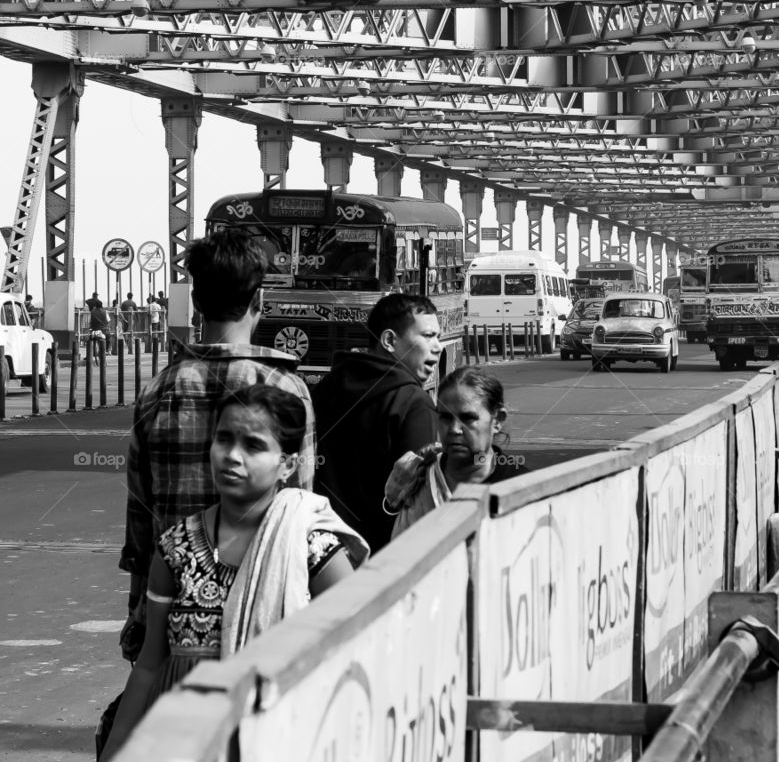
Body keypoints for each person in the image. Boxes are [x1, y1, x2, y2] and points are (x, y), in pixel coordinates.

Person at [100, 385, 367, 762]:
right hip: (183, 755)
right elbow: (149, 665)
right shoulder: (176, 549)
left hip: (279, 755)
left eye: (254, 446)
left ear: (288, 464)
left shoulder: (310, 548)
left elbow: (357, 646)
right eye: (223, 439)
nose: (231, 456)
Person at [119, 229, 317, 663]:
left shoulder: (159, 390)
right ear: (259, 301)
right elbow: (298, 510)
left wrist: (139, 602)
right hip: (263, 607)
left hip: (175, 608)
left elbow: (140, 511)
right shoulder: (287, 386)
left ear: (196, 302)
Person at [313, 293, 442, 553]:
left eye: (437, 337)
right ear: (390, 340)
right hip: (381, 557)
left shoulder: (327, 386)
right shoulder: (413, 404)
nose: (438, 346)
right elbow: (416, 500)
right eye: (428, 336)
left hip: (322, 552)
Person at [383, 368, 528, 536]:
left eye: (468, 419)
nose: (454, 429)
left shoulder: (521, 486)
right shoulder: (416, 479)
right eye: (445, 417)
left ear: (497, 420)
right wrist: (392, 502)